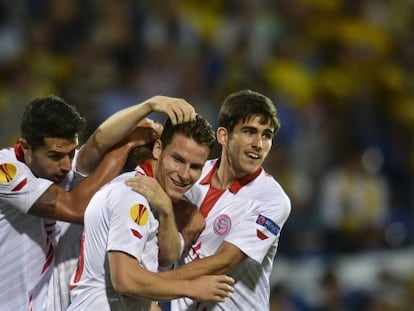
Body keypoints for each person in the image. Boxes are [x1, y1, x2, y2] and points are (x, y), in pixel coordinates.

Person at [0, 94, 196, 311]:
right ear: (25, 147)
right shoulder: (5, 171)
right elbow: (76, 207)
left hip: (51, 301)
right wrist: (128, 143)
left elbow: (98, 141)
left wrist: (148, 106)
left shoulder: (60, 167)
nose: (66, 165)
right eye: (55, 156)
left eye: (71, 152)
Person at [127, 89, 291, 310]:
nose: (258, 144)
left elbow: (223, 260)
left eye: (266, 135)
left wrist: (150, 286)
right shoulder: (189, 174)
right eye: (250, 131)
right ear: (223, 136)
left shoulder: (272, 199)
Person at [67, 115, 235, 311]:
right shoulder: (132, 194)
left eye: (195, 167)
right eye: (178, 159)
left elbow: (168, 257)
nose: (184, 174)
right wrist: (191, 287)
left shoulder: (158, 200)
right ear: (158, 149)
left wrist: (166, 212)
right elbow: (125, 280)